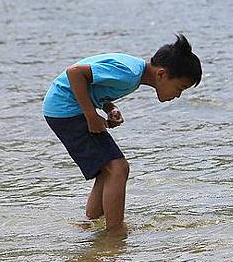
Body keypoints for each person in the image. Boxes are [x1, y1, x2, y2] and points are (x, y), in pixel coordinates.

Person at [42, 34, 202, 232]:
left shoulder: (133, 73)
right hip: (65, 109)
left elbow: (94, 87)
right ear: (161, 74)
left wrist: (109, 109)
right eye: (180, 88)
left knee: (107, 171)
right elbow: (74, 73)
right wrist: (91, 116)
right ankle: (115, 232)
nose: (178, 95)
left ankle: (91, 225)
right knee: (118, 168)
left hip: (64, 108)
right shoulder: (128, 73)